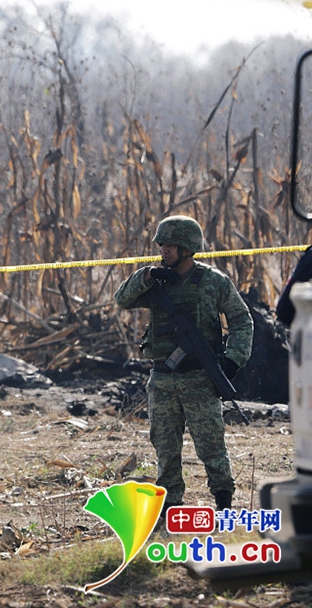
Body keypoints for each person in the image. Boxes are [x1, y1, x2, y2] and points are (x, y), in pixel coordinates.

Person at [114, 215, 253, 513]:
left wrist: (233, 360)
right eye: (162, 244)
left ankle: (223, 501)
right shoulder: (155, 281)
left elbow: (242, 320)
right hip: (162, 379)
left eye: (170, 245)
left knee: (211, 445)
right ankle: (170, 503)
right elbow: (122, 299)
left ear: (187, 248)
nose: (163, 250)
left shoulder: (213, 282)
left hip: (200, 378)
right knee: (165, 447)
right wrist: (146, 276)